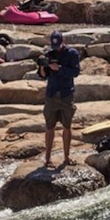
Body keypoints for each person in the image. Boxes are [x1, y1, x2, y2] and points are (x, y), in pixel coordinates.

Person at [37, 30, 80, 167]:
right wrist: (43, 67)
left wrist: (59, 68)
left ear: (63, 42)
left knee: (67, 126)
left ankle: (66, 157)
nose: (56, 49)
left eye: (59, 45)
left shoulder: (72, 54)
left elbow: (75, 72)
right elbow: (43, 75)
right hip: (52, 94)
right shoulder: (49, 54)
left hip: (66, 94)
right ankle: (48, 159)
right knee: (50, 126)